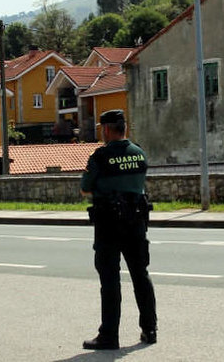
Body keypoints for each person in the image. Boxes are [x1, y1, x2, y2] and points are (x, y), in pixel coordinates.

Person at [80, 109, 157, 350]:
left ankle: (109, 335)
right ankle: (150, 328)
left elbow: (85, 189)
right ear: (125, 128)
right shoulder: (139, 153)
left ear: (106, 129)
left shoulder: (101, 157)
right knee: (140, 275)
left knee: (110, 280)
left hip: (108, 224)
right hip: (136, 223)